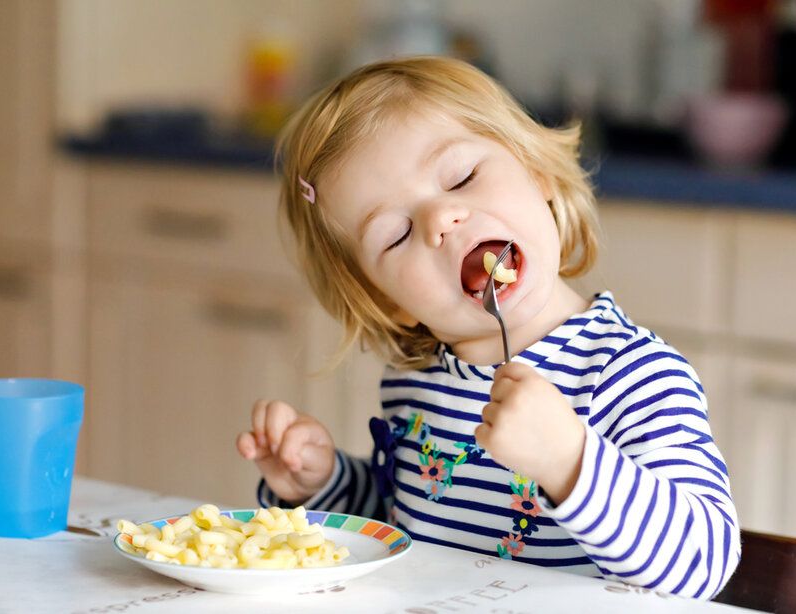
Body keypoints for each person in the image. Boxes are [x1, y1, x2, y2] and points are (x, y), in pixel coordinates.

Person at [235, 56, 740, 598]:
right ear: (390, 301)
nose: (440, 221)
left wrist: (569, 460)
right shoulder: (416, 382)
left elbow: (703, 565)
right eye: (396, 234)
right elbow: (405, 527)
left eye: (462, 177)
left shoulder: (631, 374)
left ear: (537, 171)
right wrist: (323, 485)